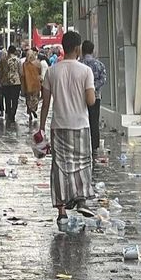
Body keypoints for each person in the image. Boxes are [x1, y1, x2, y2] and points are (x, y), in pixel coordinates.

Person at [39, 31, 97, 229]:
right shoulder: (85, 71)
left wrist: (40, 128)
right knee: (81, 164)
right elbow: (90, 101)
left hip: (59, 125)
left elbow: (45, 104)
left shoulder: (52, 71)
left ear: (63, 47)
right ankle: (81, 200)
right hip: (80, 124)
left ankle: (62, 211)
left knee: (60, 167)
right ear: (78, 48)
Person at [79, 40, 108, 153]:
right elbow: (103, 79)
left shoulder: (79, 64)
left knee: (82, 121)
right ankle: (94, 145)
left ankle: (83, 144)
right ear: (93, 50)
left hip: (81, 97)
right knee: (94, 121)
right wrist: (93, 87)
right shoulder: (99, 64)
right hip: (96, 97)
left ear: (82, 50)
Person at [0, 45, 23, 123]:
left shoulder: (3, 60)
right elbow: (20, 72)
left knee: (7, 99)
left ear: (8, 51)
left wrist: (0, 80)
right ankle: (13, 115)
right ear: (15, 51)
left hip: (6, 82)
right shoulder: (18, 60)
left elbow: (0, 71)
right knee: (15, 100)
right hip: (16, 82)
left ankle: (8, 113)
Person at [20, 50, 42, 123]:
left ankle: (30, 113)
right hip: (36, 85)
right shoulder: (38, 63)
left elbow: (22, 75)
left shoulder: (24, 64)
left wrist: (22, 86)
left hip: (27, 84)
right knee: (35, 99)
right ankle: (33, 109)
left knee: (28, 100)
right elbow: (40, 73)